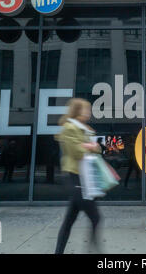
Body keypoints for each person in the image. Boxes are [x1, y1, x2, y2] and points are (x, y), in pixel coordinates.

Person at [55, 98, 102, 254]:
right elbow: (75, 152)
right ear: (77, 111)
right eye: (85, 110)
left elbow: (98, 150)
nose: (88, 113)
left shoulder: (85, 129)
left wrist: (89, 146)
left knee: (69, 221)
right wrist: (89, 146)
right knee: (95, 218)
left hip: (85, 178)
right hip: (74, 177)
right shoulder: (69, 128)